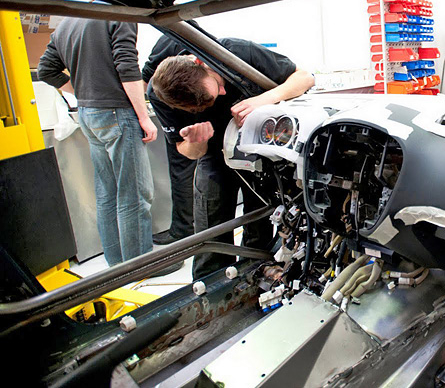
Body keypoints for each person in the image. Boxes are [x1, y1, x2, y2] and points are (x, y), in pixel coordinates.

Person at [149, 38, 314, 279]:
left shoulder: (235, 53)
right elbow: (188, 151)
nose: (224, 92)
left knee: (258, 227)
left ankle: (256, 278)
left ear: (200, 62)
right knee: (210, 234)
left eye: (218, 84)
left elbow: (305, 78)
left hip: (260, 156)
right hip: (214, 158)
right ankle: (211, 287)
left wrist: (261, 100)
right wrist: (196, 141)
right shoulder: (160, 94)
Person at [37, 19, 164, 268]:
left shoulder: (67, 23)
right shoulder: (117, 15)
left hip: (88, 113)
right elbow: (127, 67)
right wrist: (143, 117)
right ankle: (140, 267)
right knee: (134, 194)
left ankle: (116, 264)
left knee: (107, 192)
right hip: (117, 112)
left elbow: (46, 70)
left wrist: (85, 92)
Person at [142, 34, 196, 245]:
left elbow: (147, 78)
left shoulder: (169, 37)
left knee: (181, 168)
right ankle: (192, 227)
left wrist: (140, 113)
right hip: (192, 105)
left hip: (179, 109)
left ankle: (182, 230)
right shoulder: (194, 34)